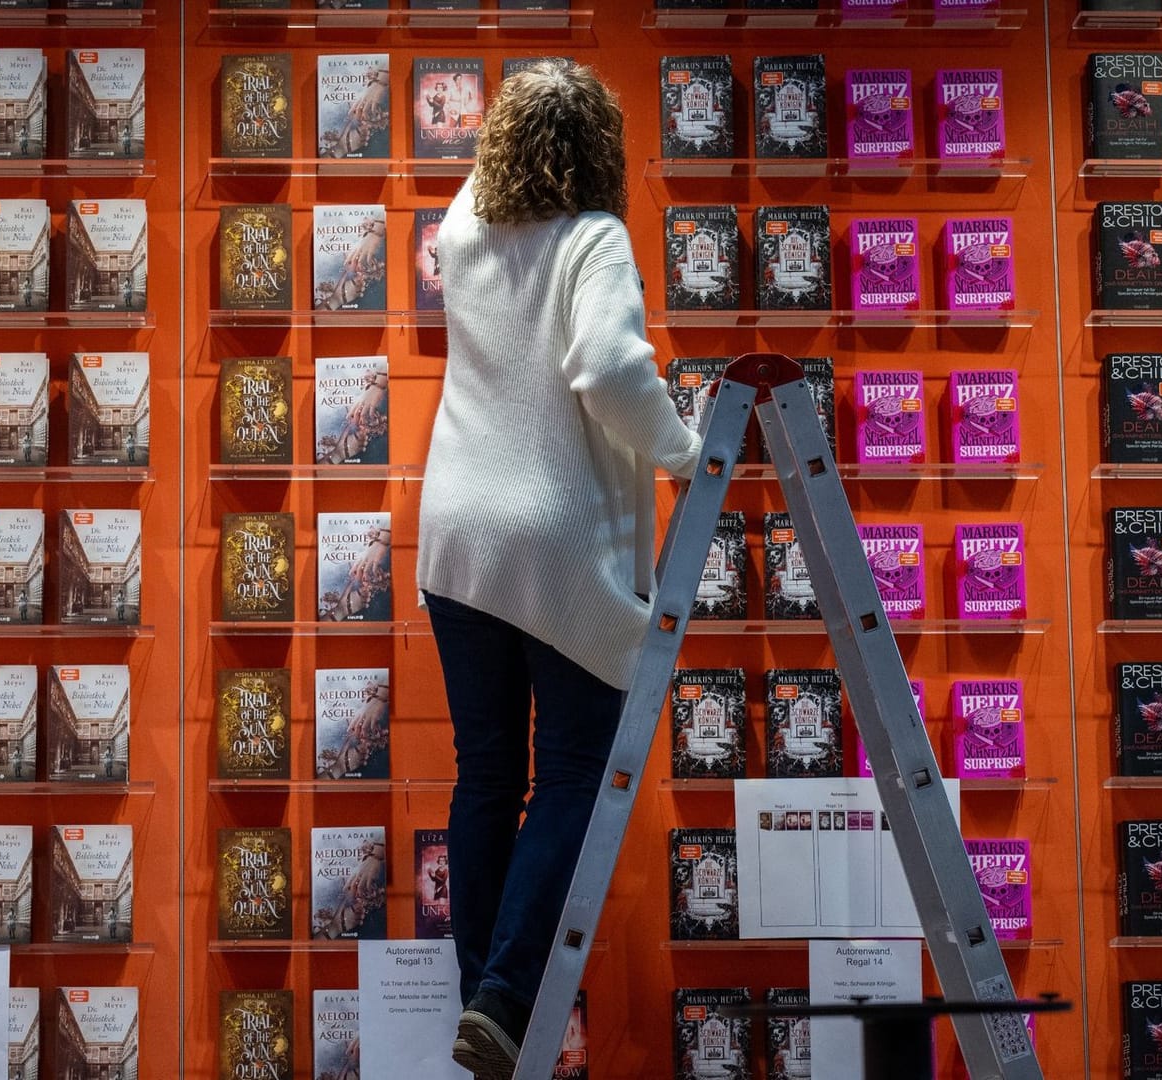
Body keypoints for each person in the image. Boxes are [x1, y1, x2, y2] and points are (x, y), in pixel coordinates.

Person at [415, 60, 700, 1080]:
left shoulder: (465, 222)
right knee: (575, 769)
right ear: (600, 151)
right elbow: (611, 370)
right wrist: (683, 453)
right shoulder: (594, 239)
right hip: (557, 539)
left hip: (455, 533)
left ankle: (483, 1001)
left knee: (488, 773)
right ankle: (504, 994)